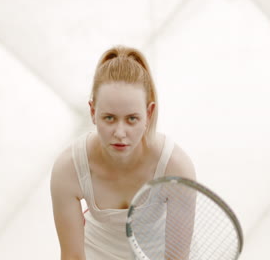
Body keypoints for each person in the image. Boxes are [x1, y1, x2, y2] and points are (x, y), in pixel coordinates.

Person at [50, 45, 196, 260]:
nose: (120, 133)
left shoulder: (176, 167)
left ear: (149, 113)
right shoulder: (68, 169)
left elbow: (177, 257)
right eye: (109, 117)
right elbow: (72, 256)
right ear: (92, 111)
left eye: (131, 119)